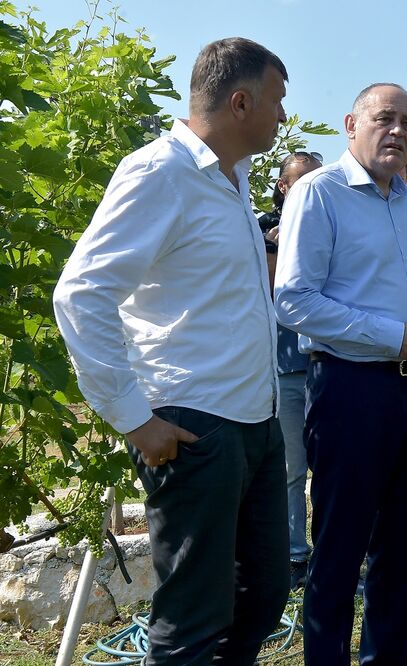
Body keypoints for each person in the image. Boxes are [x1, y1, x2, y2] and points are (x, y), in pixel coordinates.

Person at [53, 38, 291, 664]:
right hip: (194, 426)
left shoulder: (232, 179)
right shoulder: (160, 172)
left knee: (264, 594)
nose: (282, 118)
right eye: (276, 102)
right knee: (192, 620)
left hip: (255, 423)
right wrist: (134, 417)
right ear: (240, 102)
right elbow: (80, 294)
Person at [273, 82, 407, 665]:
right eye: (385, 119)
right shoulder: (318, 193)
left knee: (404, 548)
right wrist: (396, 336)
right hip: (351, 391)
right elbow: (294, 300)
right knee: (339, 549)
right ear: (350, 124)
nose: (399, 132)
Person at [259, 151, 322, 590]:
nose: (311, 187)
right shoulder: (262, 229)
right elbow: (265, 291)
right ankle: (294, 556)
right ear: (283, 186)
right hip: (285, 367)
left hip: (329, 361)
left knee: (333, 465)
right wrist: (279, 247)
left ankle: (332, 554)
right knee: (291, 467)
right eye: (302, 180)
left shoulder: (329, 221)